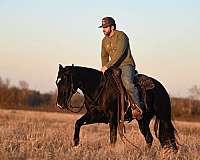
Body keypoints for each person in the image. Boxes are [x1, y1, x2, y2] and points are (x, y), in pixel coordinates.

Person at [98, 16, 145, 120]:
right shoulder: (104, 40)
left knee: (127, 82)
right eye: (103, 27)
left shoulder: (122, 36)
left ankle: (138, 108)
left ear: (112, 27)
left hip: (126, 64)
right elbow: (104, 56)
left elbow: (119, 53)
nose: (103, 30)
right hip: (113, 67)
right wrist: (104, 68)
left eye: (105, 27)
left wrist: (107, 66)